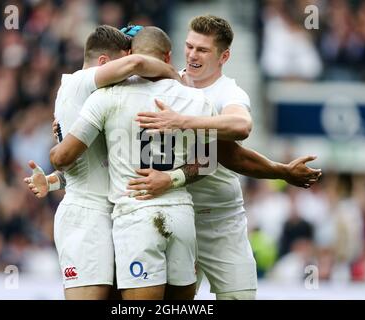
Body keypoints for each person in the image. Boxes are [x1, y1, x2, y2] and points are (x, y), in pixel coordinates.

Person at [130, 15, 322, 300]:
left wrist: (182, 121)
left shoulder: (228, 92)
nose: (193, 55)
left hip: (222, 218)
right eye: (190, 46)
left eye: (203, 50)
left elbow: (240, 128)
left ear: (225, 56)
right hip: (177, 214)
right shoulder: (167, 86)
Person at [49, 26, 218, 300]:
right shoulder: (197, 99)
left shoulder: (106, 97)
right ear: (168, 56)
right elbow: (208, 162)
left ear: (130, 57)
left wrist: (59, 139)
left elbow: (64, 157)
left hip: (135, 216)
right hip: (181, 214)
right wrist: (172, 178)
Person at [24, 25, 180, 300]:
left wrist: (53, 179)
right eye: (124, 68)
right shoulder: (80, 81)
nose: (131, 77)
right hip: (85, 216)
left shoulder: (99, 102)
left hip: (113, 214)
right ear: (105, 63)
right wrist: (175, 76)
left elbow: (96, 160)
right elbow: (137, 62)